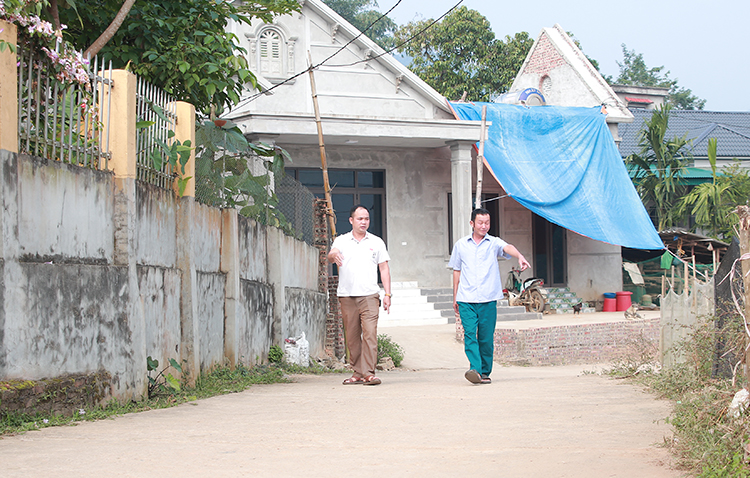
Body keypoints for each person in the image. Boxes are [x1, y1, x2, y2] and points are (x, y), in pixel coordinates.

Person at [449, 208, 530, 384]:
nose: (484, 226)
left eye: (487, 223)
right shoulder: (461, 245)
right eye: (480, 222)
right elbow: (456, 270)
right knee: (470, 335)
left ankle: (484, 372)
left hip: (487, 299)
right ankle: (475, 370)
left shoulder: (493, 243)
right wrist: (455, 296)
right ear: (472, 224)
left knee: (485, 338)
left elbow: (507, 247)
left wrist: (520, 256)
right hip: (466, 299)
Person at [328, 204, 392, 386]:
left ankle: (369, 373)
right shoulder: (341, 240)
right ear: (351, 221)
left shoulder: (377, 242)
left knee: (370, 333)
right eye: (360, 219)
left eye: (366, 219)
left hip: (370, 295)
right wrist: (334, 255)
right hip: (347, 296)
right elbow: (331, 255)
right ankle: (357, 373)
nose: (364, 222)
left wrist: (387, 294)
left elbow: (384, 269)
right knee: (353, 336)